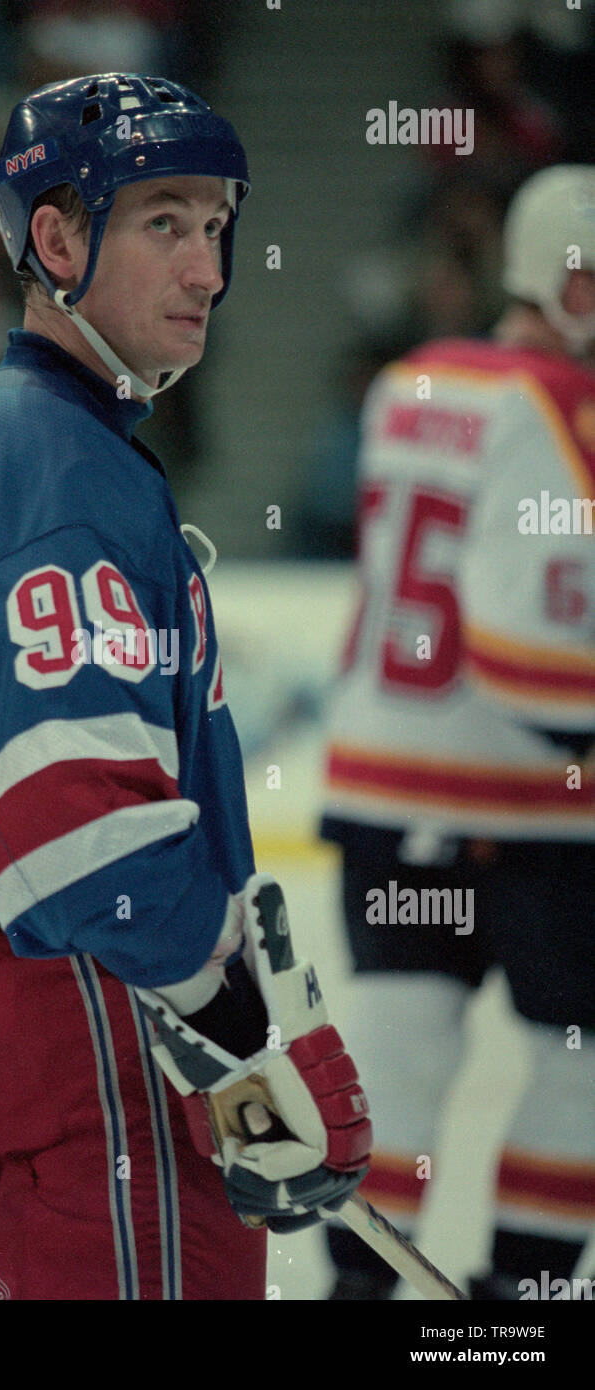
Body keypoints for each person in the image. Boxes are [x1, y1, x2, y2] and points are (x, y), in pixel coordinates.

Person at [0, 73, 372, 1302]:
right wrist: (245, 1040)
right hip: (64, 1032)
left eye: (217, 227)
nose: (209, 269)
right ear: (55, 238)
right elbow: (77, 832)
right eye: (165, 221)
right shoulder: (52, 457)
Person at [319, 164, 595, 1300]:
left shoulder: (411, 379)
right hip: (531, 813)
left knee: (394, 1070)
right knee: (581, 1065)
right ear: (566, 282)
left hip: (383, 794)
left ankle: (359, 1288)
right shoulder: (557, 407)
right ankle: (520, 1295)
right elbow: (533, 652)